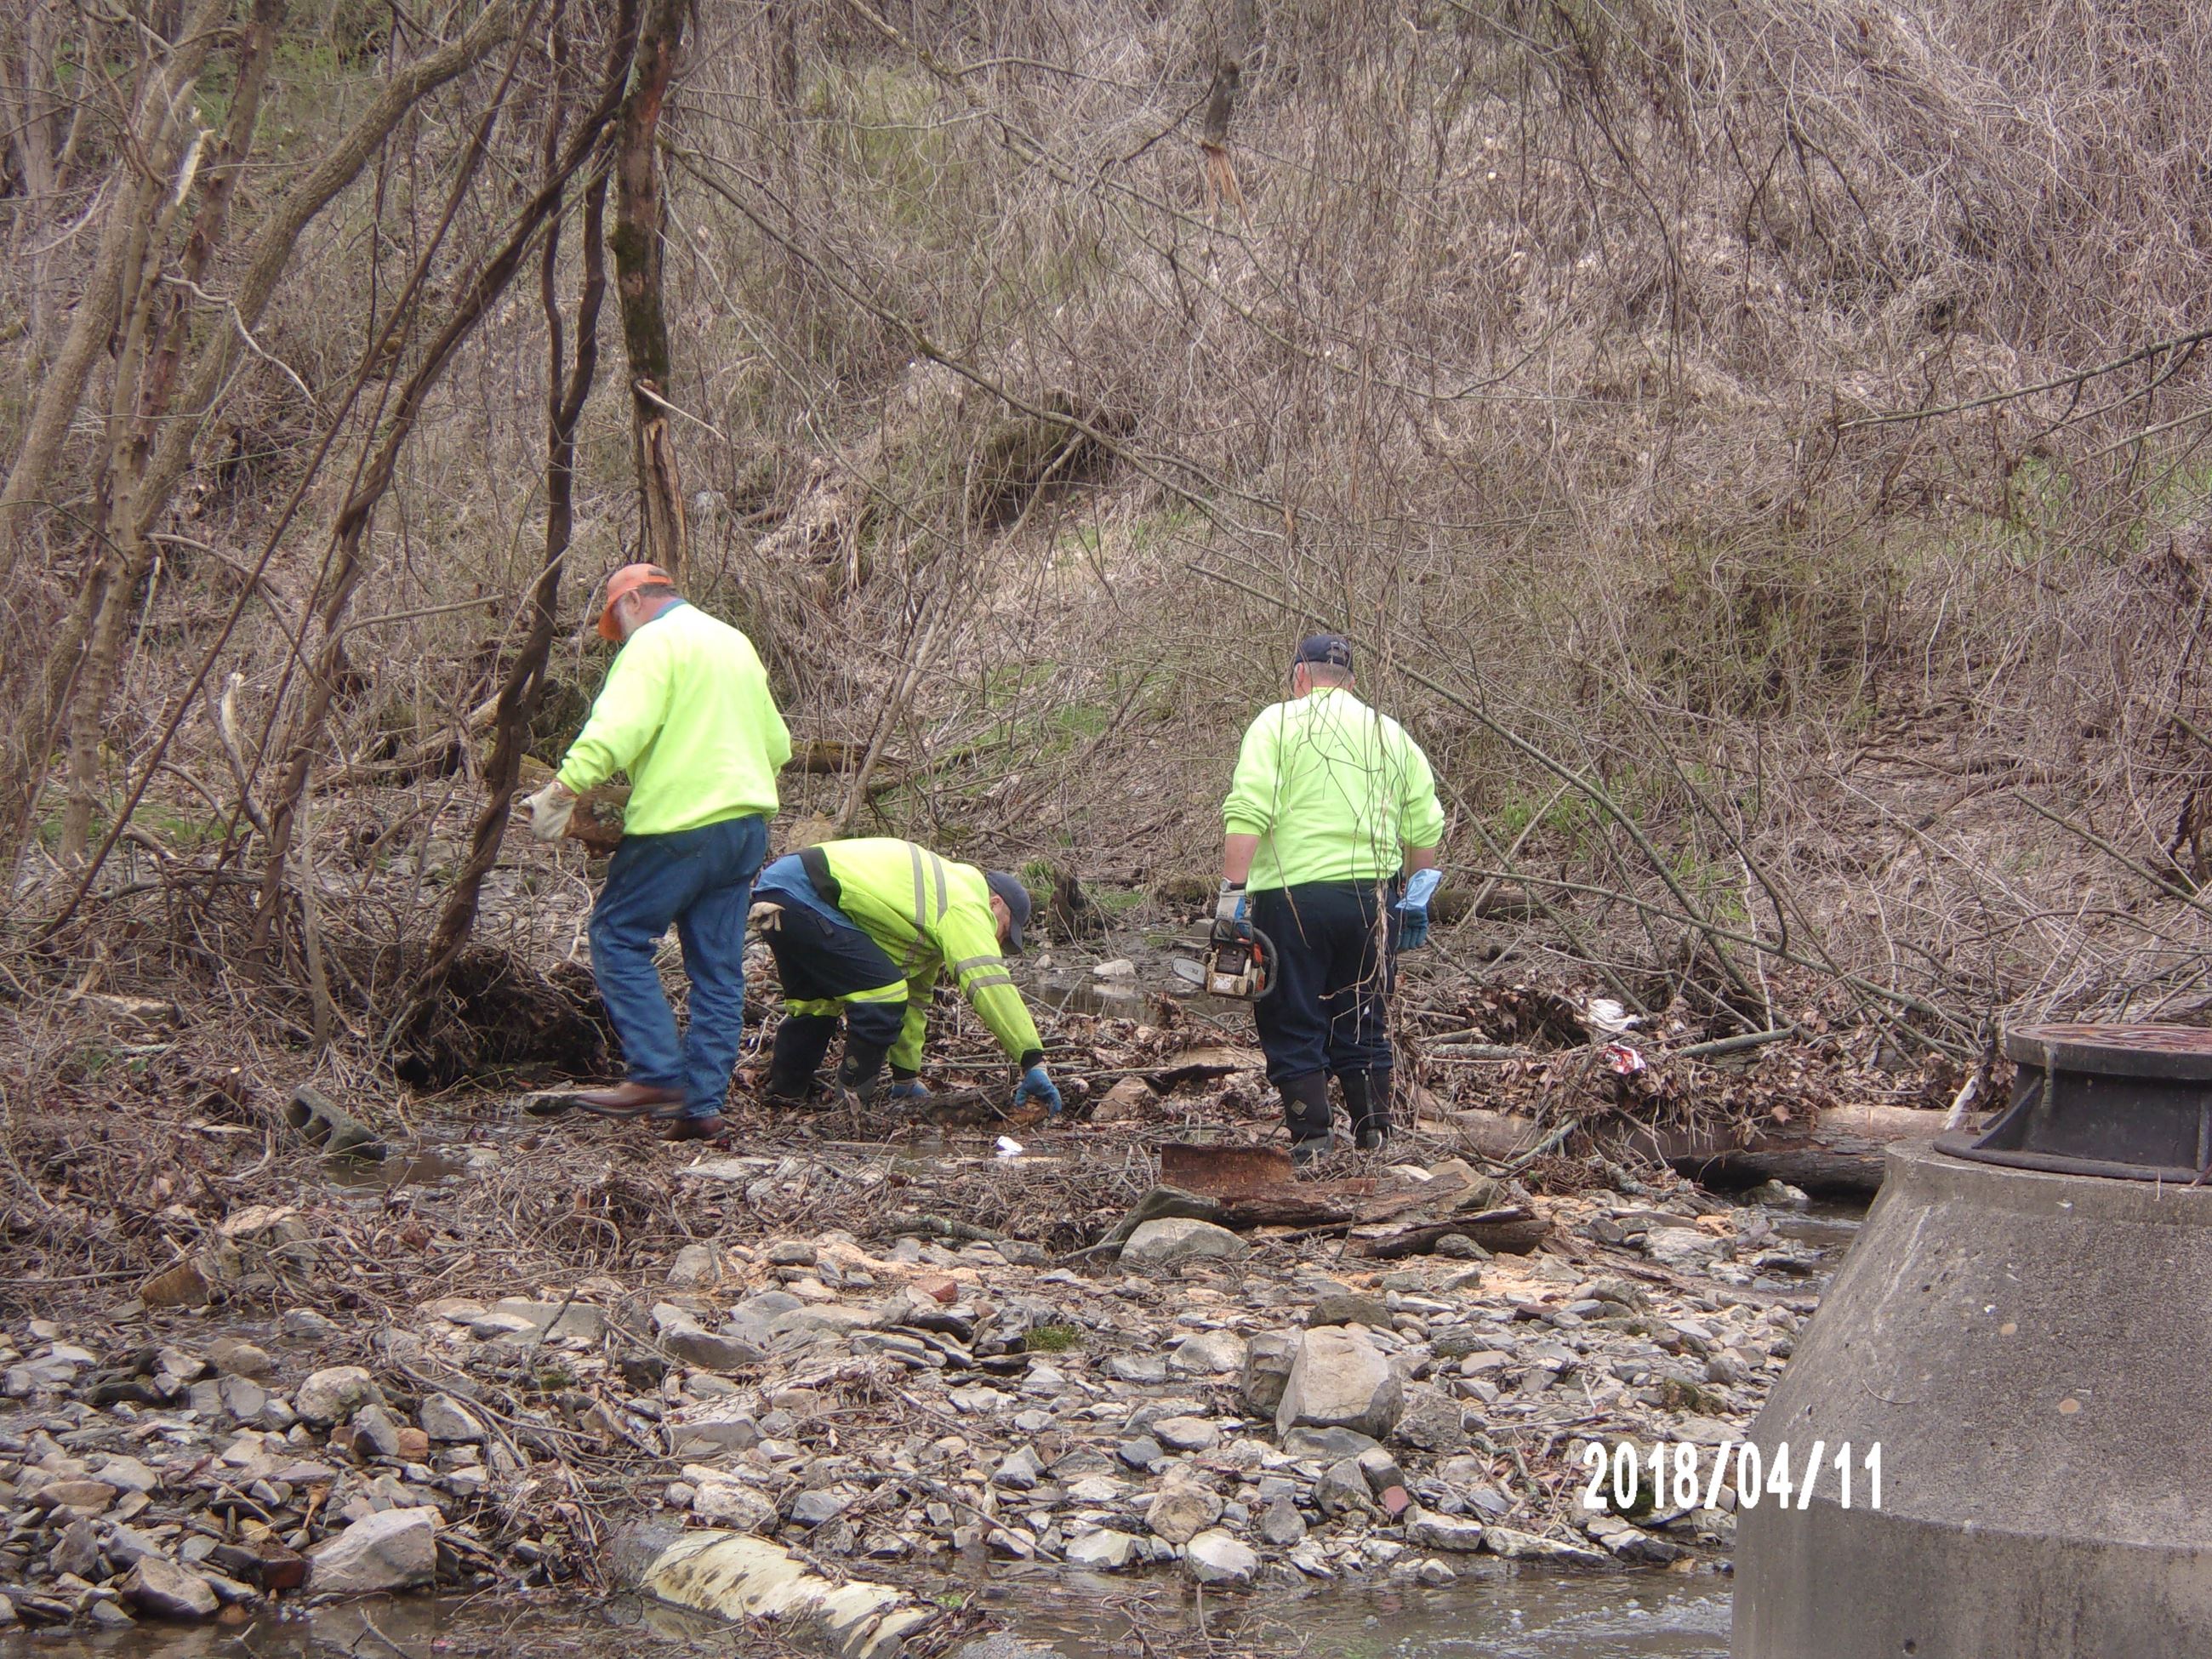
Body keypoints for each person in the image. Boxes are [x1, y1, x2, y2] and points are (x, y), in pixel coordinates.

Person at [520, 562, 791, 1142]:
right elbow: (779, 745)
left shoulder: (654, 644)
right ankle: (700, 1107)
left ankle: (656, 1076)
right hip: (744, 829)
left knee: (617, 935)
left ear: (636, 599)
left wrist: (561, 792)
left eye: (618, 618)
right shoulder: (733, 643)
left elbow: (617, 730)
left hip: (677, 826)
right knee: (718, 972)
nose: (621, 633)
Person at [1215, 633, 1445, 1162]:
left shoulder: (1276, 723)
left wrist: (1232, 895)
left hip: (1292, 898)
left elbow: (1249, 809)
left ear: (1299, 675)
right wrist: (1414, 896)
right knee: (1365, 1016)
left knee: (1293, 1015)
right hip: (1373, 898)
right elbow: (1423, 824)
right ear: (1352, 682)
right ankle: (1375, 1136)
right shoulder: (1388, 732)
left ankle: (1313, 1142)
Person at [748, 838, 1062, 1115]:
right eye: (1004, 931)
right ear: (995, 904)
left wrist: (905, 1076)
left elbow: (913, 1000)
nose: (997, 942)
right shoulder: (966, 902)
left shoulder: (930, 914)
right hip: (808, 892)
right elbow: (990, 983)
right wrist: (1031, 1059)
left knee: (815, 1003)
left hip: (783, 891)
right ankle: (850, 1109)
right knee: (881, 997)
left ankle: (786, 1093)